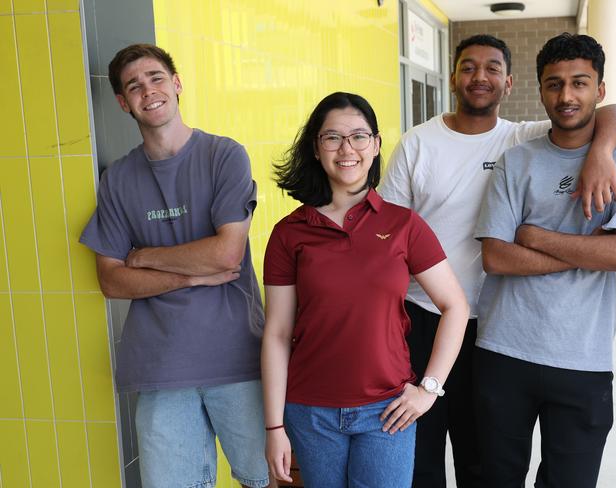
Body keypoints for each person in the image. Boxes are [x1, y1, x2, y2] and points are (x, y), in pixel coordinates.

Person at [379, 34, 616, 487]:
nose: (480, 77)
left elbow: (612, 111)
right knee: (417, 453)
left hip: (487, 324)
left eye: (492, 68)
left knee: (482, 462)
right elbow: (387, 237)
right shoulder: (418, 143)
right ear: (452, 77)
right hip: (421, 316)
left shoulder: (521, 137)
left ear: (509, 82)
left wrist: (601, 151)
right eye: (469, 67)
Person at [79, 44, 272, 488]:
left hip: (238, 359)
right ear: (123, 103)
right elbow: (110, 280)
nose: (148, 91)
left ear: (177, 84)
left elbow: (226, 254)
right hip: (160, 369)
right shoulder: (119, 179)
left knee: (264, 479)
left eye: (156, 78)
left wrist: (144, 256)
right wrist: (188, 274)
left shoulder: (225, 155)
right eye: (135, 86)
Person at [261, 92, 470, 488]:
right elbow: (276, 333)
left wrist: (429, 389)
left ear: (375, 145)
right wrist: (274, 426)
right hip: (310, 413)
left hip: (387, 410)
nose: (347, 149)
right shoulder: (289, 233)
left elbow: (454, 306)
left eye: (359, 136)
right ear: (316, 147)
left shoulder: (404, 224)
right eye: (332, 137)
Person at [473, 33, 616, 488]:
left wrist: (535, 236)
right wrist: (590, 251)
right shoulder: (517, 160)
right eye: (554, 84)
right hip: (503, 352)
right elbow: (496, 257)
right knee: (495, 478)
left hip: (583, 359)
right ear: (540, 88)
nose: (566, 96)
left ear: (600, 90)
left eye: (579, 83)